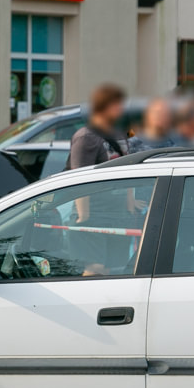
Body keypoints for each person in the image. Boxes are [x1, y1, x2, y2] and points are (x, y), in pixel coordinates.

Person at [65, 84, 132, 271]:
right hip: (93, 214)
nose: (121, 109)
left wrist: (129, 203)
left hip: (117, 215)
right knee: (94, 268)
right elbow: (79, 177)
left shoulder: (120, 134)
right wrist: (83, 216)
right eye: (117, 105)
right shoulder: (86, 137)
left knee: (113, 269)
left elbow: (129, 171)